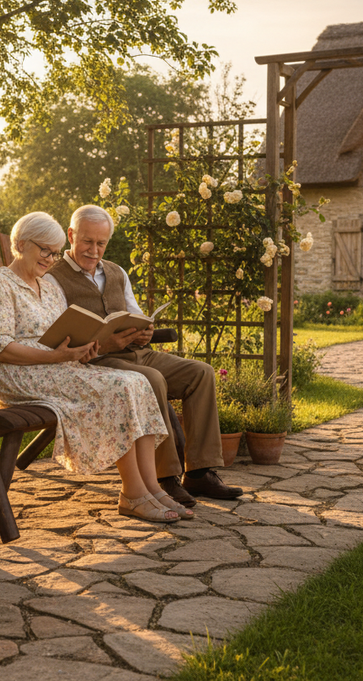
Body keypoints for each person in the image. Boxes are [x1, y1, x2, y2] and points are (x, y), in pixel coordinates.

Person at [0, 211, 193, 523]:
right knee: (118, 387)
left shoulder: (48, 285)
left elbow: (59, 334)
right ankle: (132, 494)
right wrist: (56, 357)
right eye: (45, 250)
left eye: (54, 252)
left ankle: (152, 489)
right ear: (22, 244)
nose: (51, 259)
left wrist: (84, 346)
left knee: (137, 382)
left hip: (57, 367)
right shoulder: (1, 285)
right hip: (19, 374)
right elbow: (0, 348)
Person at [44, 205, 244, 506]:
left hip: (136, 352)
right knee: (151, 380)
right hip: (97, 361)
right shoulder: (53, 279)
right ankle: (165, 478)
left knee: (200, 372)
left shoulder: (116, 271)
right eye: (87, 241)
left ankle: (200, 473)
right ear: (71, 235)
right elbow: (58, 336)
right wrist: (105, 343)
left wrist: (145, 330)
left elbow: (134, 312)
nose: (94, 250)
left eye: (101, 243)